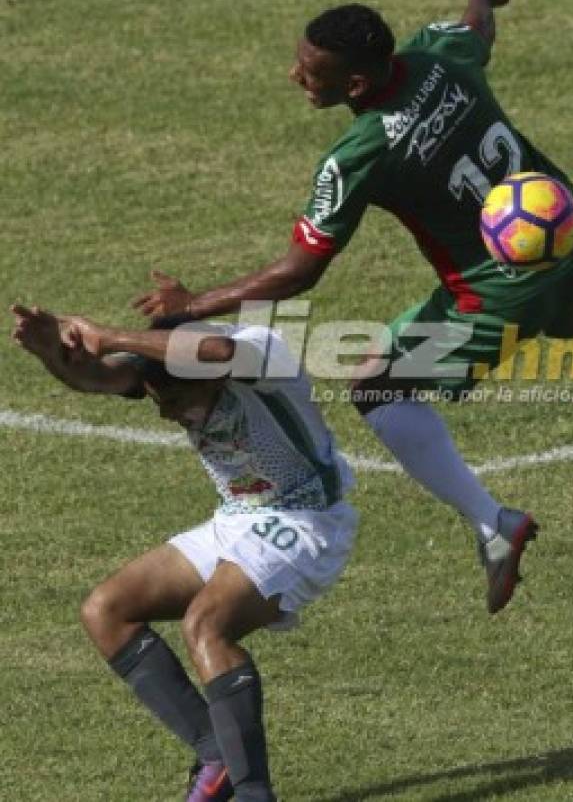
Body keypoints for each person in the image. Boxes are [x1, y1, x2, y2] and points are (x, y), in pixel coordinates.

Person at [131, 0, 573, 615]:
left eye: (310, 71)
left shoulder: (359, 153)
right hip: (558, 232)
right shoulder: (437, 55)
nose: (296, 76)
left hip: (490, 295)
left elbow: (299, 271)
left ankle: (493, 523)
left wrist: (191, 305)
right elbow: (477, 27)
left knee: (376, 386)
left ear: (356, 84)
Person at [10, 303, 359, 802]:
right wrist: (53, 355)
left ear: (210, 379)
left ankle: (253, 793)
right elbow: (96, 380)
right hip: (235, 520)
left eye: (173, 397)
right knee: (107, 609)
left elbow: (215, 350)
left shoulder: (262, 357)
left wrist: (110, 334)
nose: (166, 412)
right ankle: (216, 753)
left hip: (306, 523)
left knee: (206, 625)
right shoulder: (172, 374)